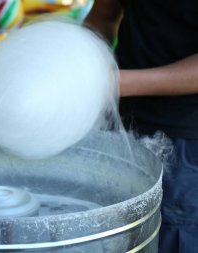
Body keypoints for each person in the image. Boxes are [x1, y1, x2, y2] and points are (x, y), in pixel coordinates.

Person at [84, 0, 198, 252]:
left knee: (171, 238)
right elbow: (102, 17)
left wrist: (114, 84)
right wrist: (78, 59)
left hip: (186, 146)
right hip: (122, 130)